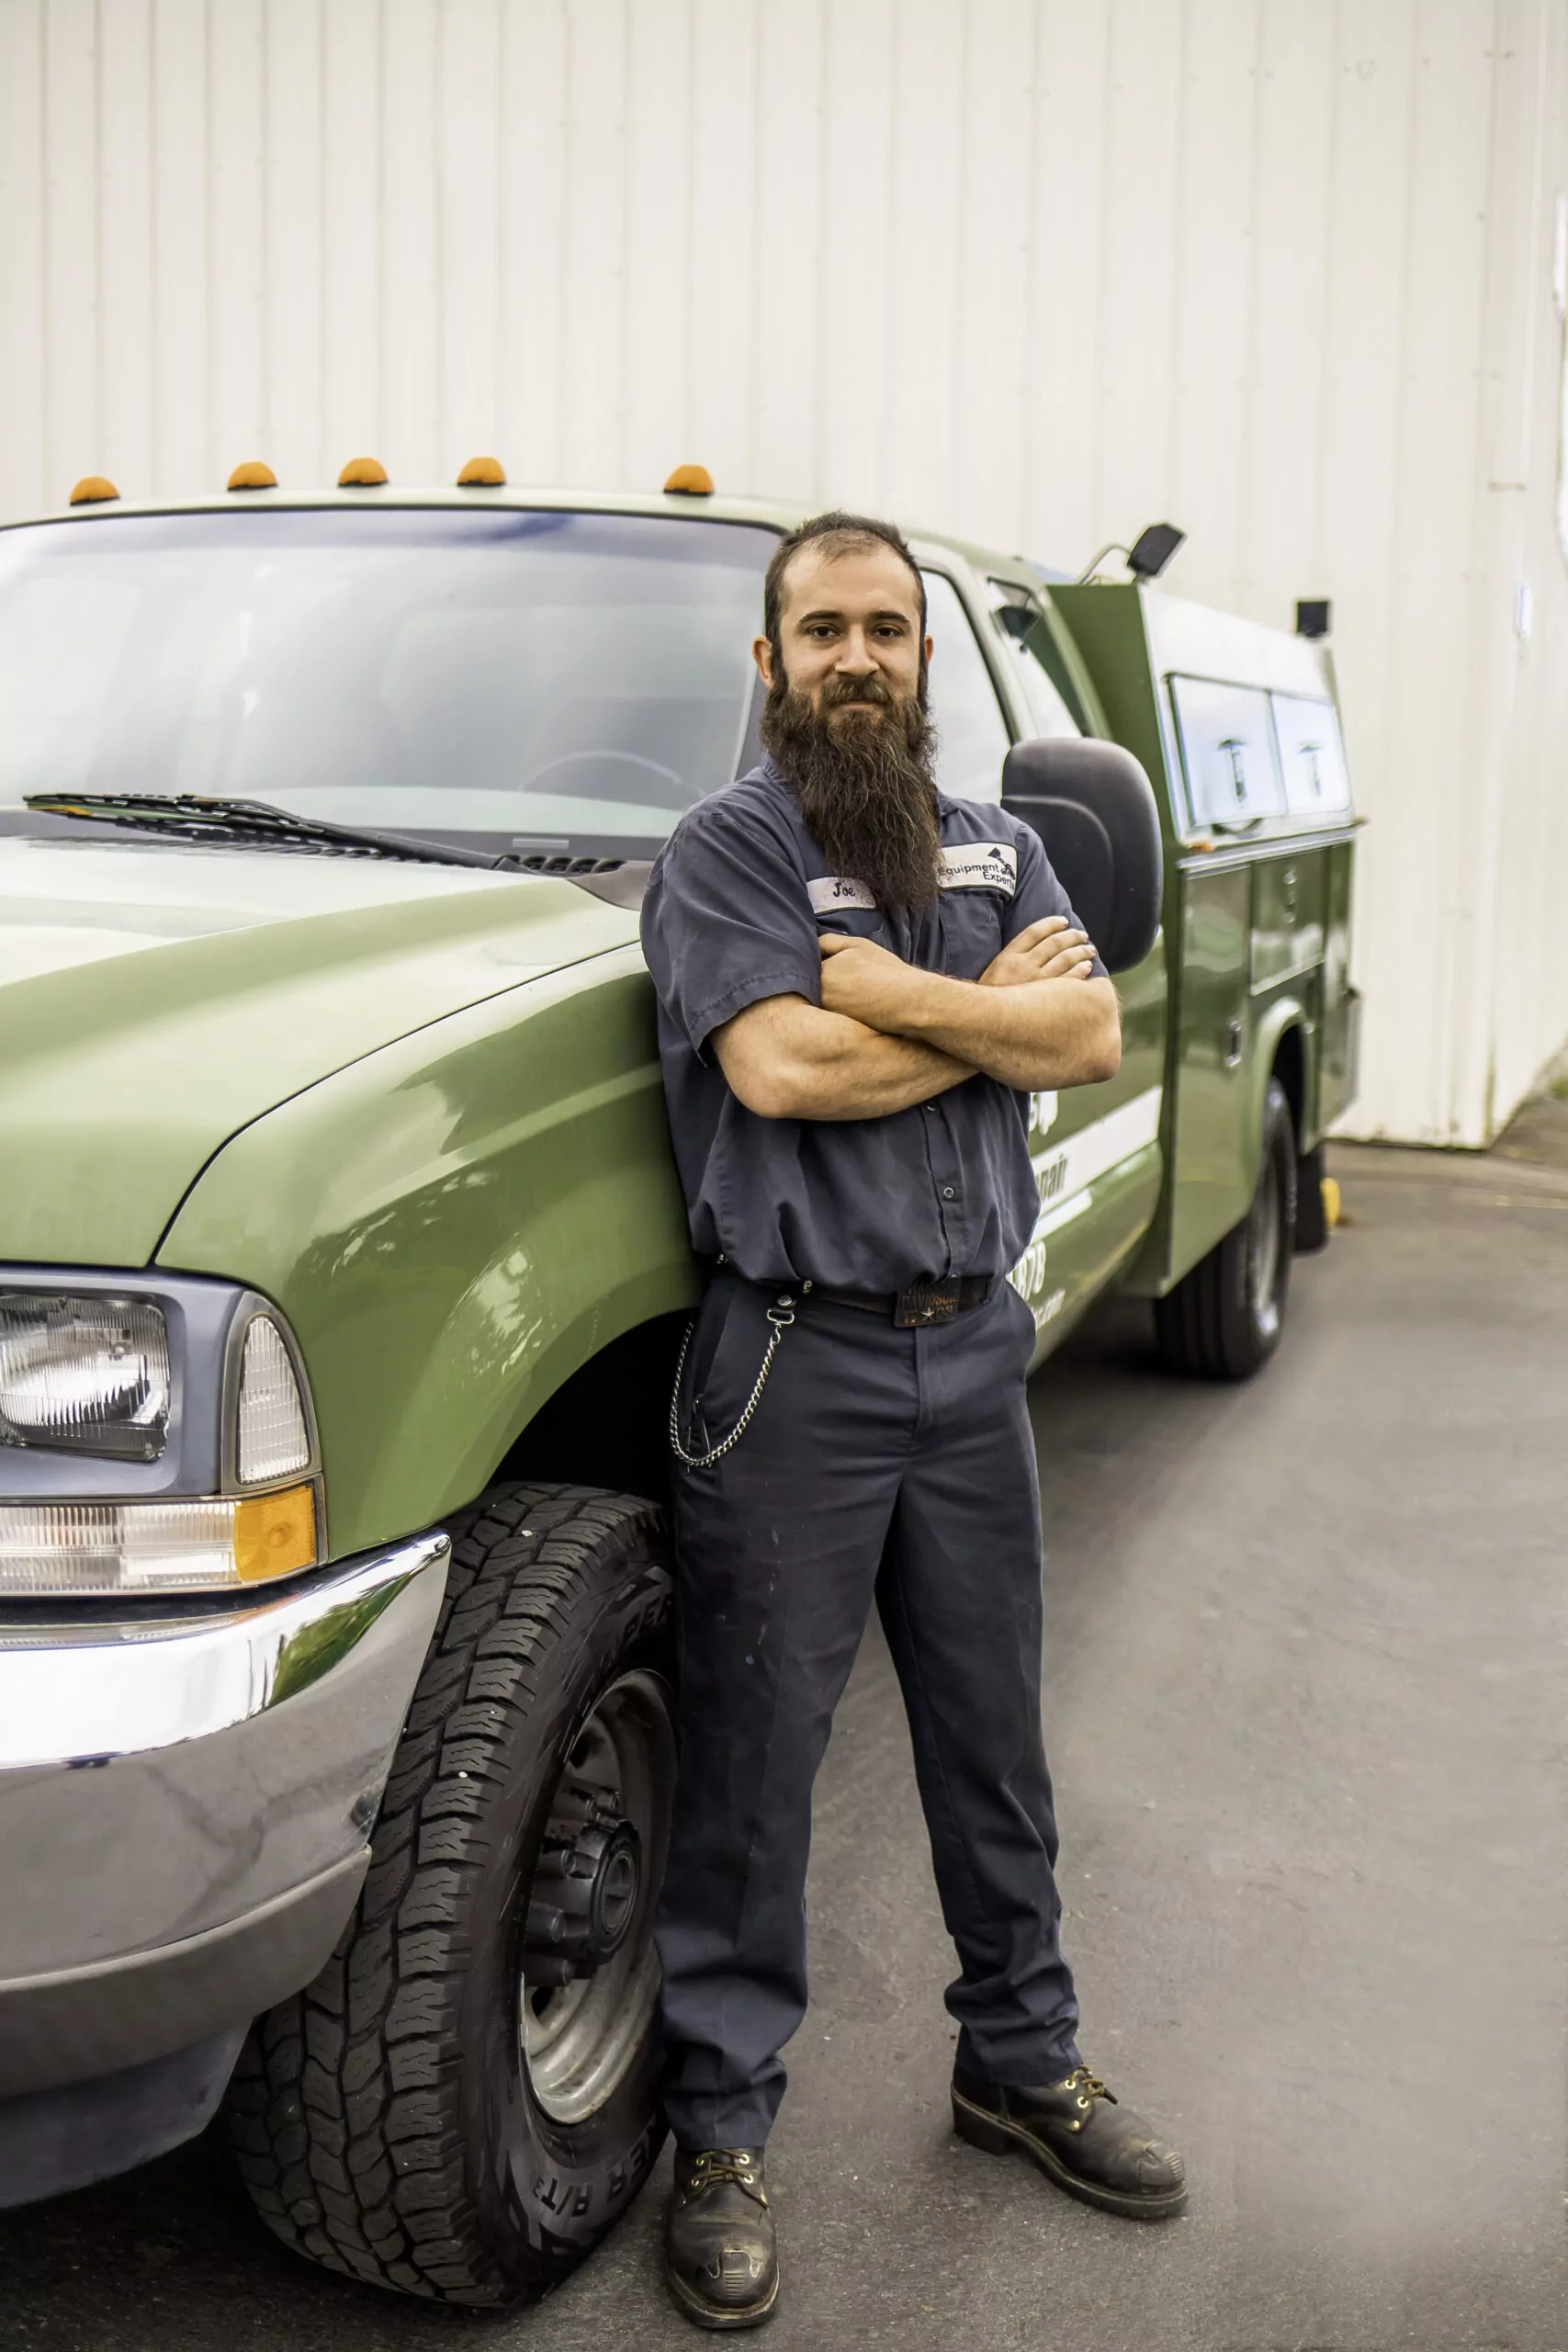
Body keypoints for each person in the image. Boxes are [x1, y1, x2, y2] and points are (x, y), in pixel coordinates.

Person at [640, 512, 1185, 2331]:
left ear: (924, 656)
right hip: (796, 1360)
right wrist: (981, 1015)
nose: (859, 655)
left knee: (989, 1733)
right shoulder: (721, 853)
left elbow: (1092, 1037)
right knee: (754, 1772)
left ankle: (1018, 2060)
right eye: (823, 631)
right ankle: (717, 2134)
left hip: (972, 1358)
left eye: (887, 627)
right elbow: (779, 1066)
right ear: (770, 662)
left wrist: (884, 987)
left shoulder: (1002, 838)